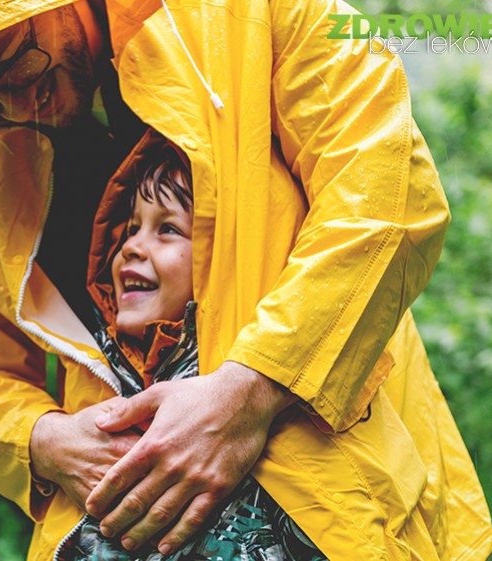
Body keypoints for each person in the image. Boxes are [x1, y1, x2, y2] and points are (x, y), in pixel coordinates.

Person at [0, 0, 492, 559]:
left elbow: (385, 194)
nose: (16, 103)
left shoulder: (249, 14)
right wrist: (43, 439)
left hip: (338, 516)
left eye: (15, 60)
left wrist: (254, 388)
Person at [70, 133, 327, 561]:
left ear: (219, 261)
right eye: (131, 227)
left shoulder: (263, 384)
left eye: (167, 229)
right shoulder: (104, 371)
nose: (130, 245)